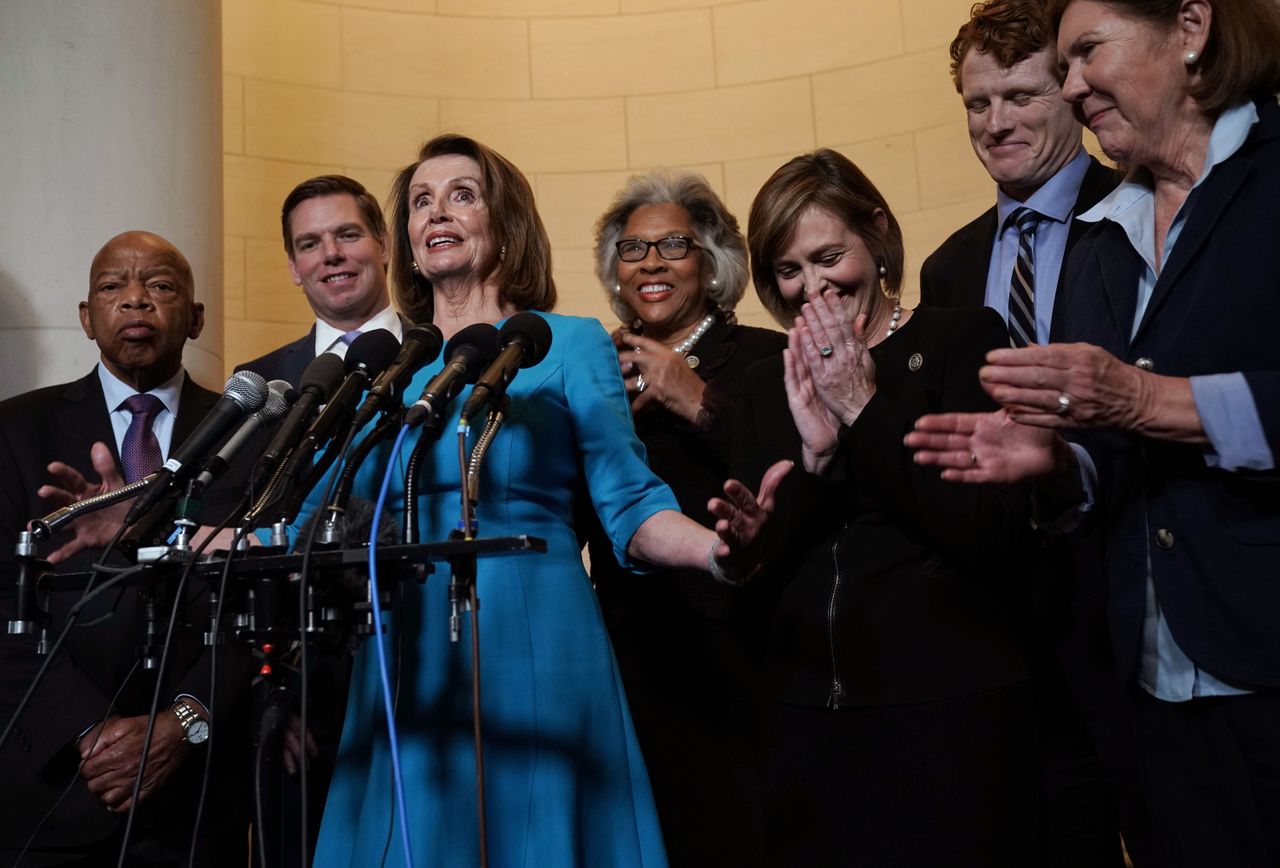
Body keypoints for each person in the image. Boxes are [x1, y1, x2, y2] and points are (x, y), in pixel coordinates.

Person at [312, 134, 785, 868]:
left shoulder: (568, 346)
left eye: (462, 194)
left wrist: (719, 553)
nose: (438, 211)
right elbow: (310, 513)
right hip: (407, 653)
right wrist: (144, 526)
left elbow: (629, 503)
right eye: (420, 201)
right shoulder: (392, 368)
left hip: (538, 638)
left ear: (506, 221)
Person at [908, 1, 1280, 864]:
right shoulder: (1120, 230)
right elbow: (1116, 455)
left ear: (1190, 28)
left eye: (1084, 56)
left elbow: (1137, 405)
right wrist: (1057, 467)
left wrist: (1140, 400)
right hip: (1148, 674)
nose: (1072, 88)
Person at [738, 149, 1039, 867]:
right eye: (788, 270)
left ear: (875, 235)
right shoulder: (764, 381)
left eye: (828, 255)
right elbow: (755, 583)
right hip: (810, 718)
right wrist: (812, 467)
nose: (812, 287)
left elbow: (984, 535)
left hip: (950, 708)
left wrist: (862, 408)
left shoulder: (961, 339)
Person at [922, 3, 1140, 864]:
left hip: (1130, 590)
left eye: (1018, 95)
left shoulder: (1140, 209)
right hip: (1004, 621)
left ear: (1072, 92)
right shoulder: (947, 265)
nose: (995, 123)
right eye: (977, 103)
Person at [0, 231, 249, 866]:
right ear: (87, 318)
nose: (136, 301)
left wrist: (184, 724)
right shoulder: (15, 430)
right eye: (113, 287)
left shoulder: (252, 437)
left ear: (194, 318)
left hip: (199, 800)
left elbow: (258, 605)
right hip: (53, 789)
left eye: (160, 286)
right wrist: (89, 732)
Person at [587, 170, 785, 868]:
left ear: (711, 259)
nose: (651, 263)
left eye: (674, 244)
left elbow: (799, 481)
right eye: (633, 249)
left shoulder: (762, 357)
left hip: (744, 653)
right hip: (634, 661)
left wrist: (699, 400)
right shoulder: (594, 370)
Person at [238, 174, 405, 387]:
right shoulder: (260, 381)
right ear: (295, 268)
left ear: (383, 245)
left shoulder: (446, 358)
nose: (331, 254)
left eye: (348, 235)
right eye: (310, 244)